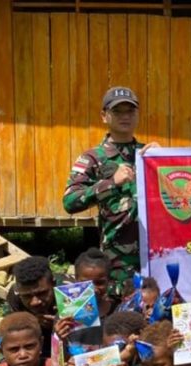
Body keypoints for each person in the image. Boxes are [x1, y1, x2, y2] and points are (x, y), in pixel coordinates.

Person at [63, 86, 159, 299]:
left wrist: (164, 163)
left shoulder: (150, 153)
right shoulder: (93, 158)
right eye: (117, 111)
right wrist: (110, 183)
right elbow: (70, 201)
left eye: (130, 111)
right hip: (117, 262)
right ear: (104, 116)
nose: (125, 117)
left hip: (157, 255)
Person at [54, 248, 117, 352]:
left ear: (108, 282)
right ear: (76, 280)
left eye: (99, 283)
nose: (93, 289)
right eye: (86, 283)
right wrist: (59, 338)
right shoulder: (65, 317)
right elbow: (59, 358)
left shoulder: (117, 312)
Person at [6, 256, 57, 357]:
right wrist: (32, 321)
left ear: (54, 284)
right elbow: (12, 330)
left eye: (42, 293)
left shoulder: (72, 290)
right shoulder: (15, 296)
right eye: (27, 296)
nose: (35, 302)